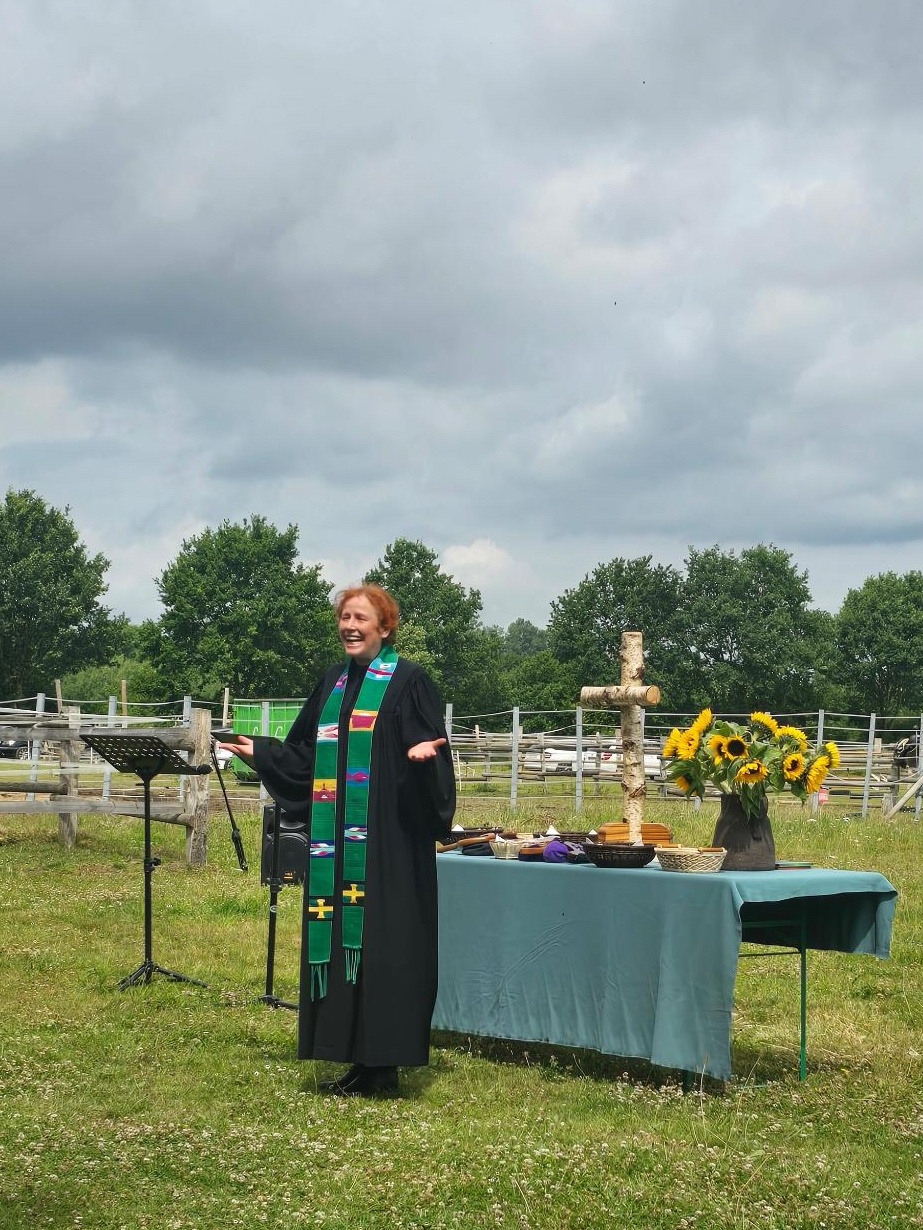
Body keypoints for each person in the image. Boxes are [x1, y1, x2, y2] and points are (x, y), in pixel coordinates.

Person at [218, 583, 456, 1097]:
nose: (350, 626)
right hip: (336, 843)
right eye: (344, 617)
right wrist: (261, 752)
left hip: (389, 843)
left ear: (384, 627)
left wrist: (425, 760)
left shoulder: (410, 682)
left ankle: (384, 1066)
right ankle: (353, 1057)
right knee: (341, 942)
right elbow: (306, 758)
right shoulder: (332, 682)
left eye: (361, 618)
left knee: (385, 948)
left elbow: (432, 747)